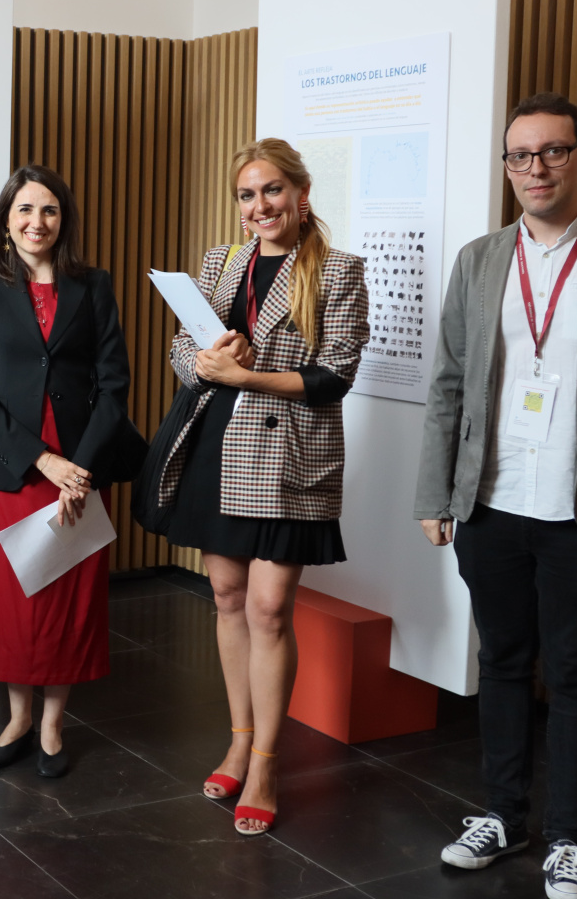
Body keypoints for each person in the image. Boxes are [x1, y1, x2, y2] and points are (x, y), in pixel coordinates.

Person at [416, 92, 577, 899]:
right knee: (500, 661)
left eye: (553, 151)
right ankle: (501, 814)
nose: (536, 169)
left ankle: (568, 838)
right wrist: (437, 493)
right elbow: (450, 384)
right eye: (520, 156)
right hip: (491, 502)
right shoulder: (480, 258)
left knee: (572, 672)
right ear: (506, 167)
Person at [166, 139, 369, 835]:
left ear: (302, 192)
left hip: (286, 453)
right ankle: (239, 738)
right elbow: (178, 349)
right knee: (226, 597)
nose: (261, 207)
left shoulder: (338, 270)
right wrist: (203, 358)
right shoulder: (220, 264)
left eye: (274, 190)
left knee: (269, 609)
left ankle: (268, 763)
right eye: (248, 195)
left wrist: (246, 374)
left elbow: (335, 374)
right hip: (216, 444)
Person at [0, 164, 137, 779]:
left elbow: (114, 386)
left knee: (69, 598)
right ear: (7, 222)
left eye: (50, 210)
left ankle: (54, 723)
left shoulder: (93, 286)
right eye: (26, 210)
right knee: (12, 600)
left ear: (64, 220)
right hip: (14, 467)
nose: (38, 222)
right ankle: (17, 718)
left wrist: (79, 467)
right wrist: (45, 460)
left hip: (82, 465)